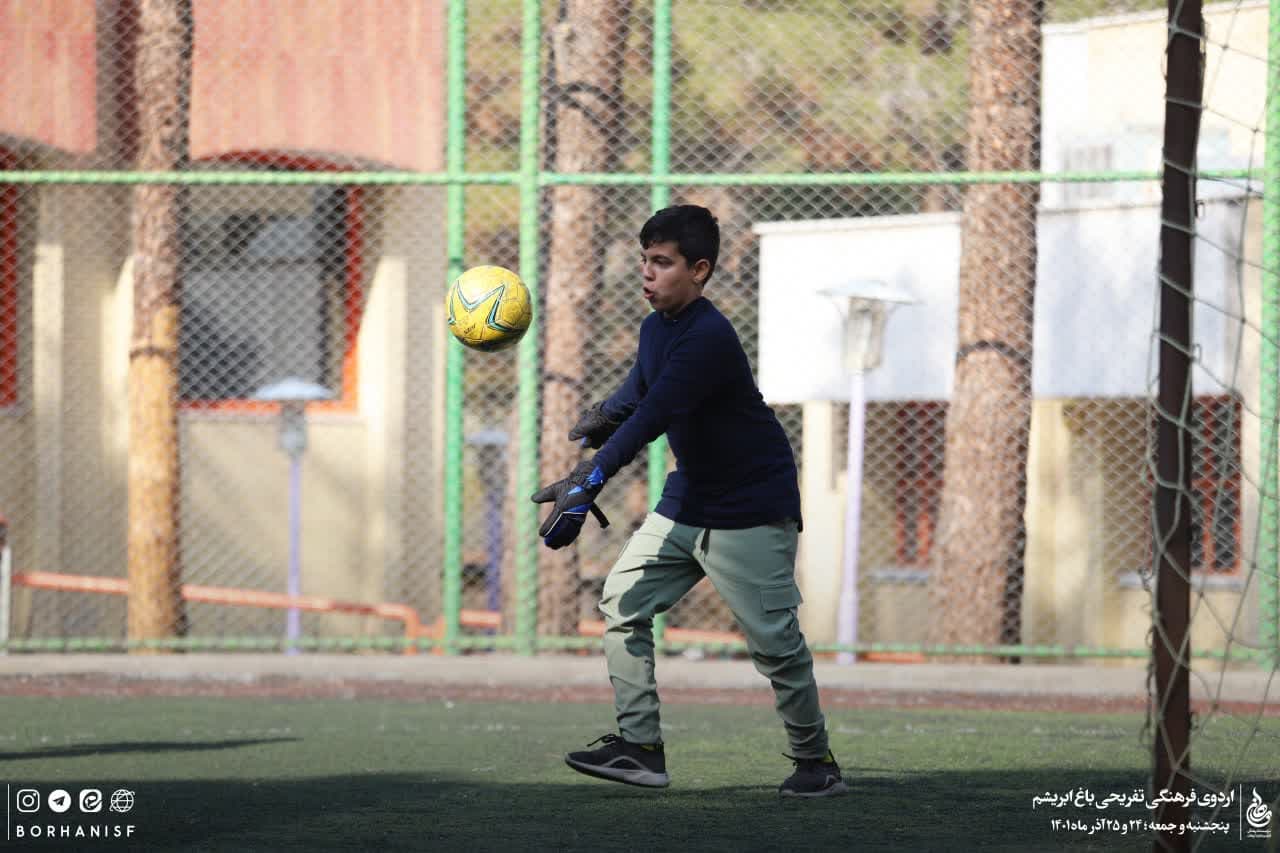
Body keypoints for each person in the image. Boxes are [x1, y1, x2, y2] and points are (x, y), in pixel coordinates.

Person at [531, 204, 845, 798]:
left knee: (775, 645)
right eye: (644, 260)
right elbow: (638, 392)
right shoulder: (657, 328)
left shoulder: (709, 337)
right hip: (689, 498)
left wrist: (589, 479)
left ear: (699, 271)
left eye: (662, 262)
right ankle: (640, 749)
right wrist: (602, 416)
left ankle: (817, 763)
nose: (647, 273)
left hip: (751, 505)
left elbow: (656, 413)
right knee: (622, 601)